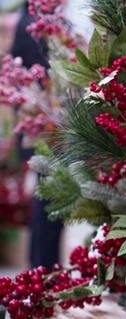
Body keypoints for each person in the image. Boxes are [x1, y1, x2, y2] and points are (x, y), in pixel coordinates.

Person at [11, 1, 65, 270]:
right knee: (50, 203)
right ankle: (44, 269)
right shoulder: (37, 27)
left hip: (40, 131)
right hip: (47, 131)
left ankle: (40, 268)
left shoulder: (24, 23)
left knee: (46, 201)